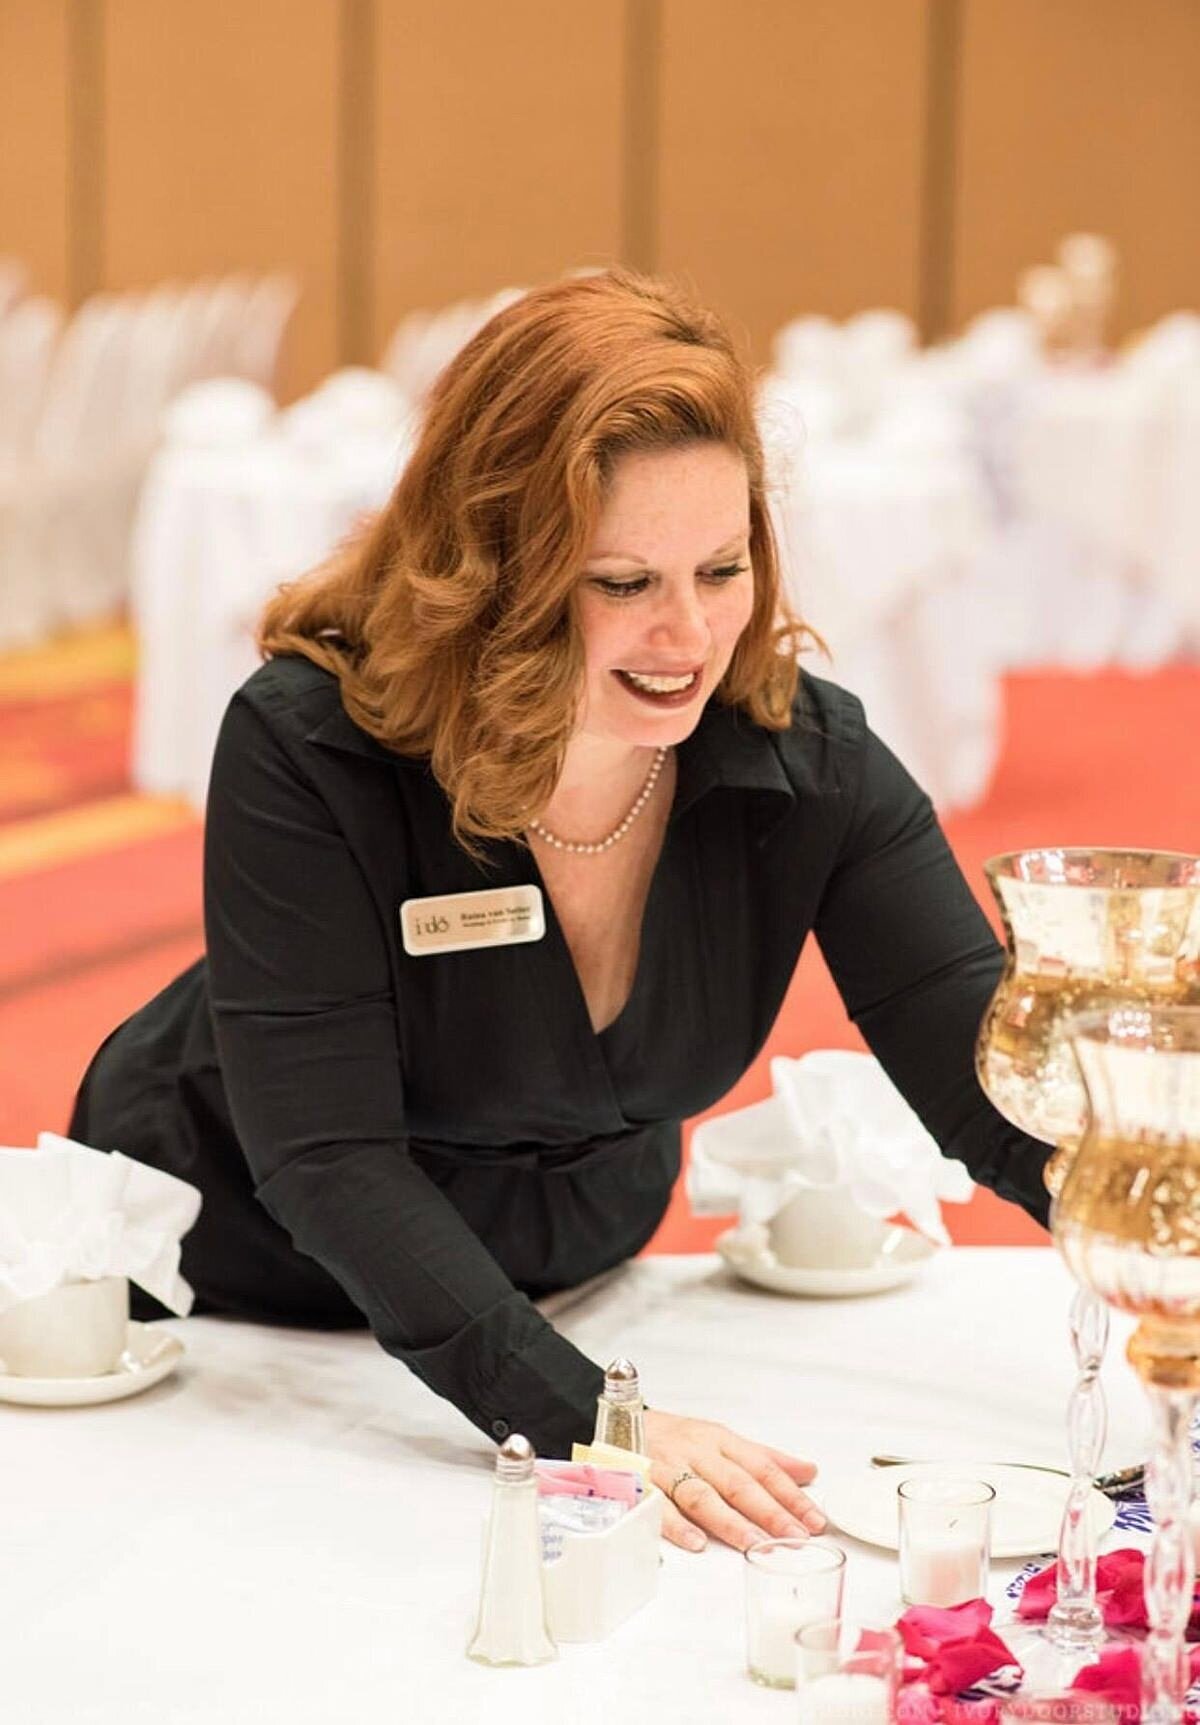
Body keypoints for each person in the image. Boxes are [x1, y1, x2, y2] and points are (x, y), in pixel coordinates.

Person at [70, 269, 1050, 1555]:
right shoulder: (312, 743)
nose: (689, 634)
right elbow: (327, 1159)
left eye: (721, 567)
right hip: (236, 1296)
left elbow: (992, 1092)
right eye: (621, 582)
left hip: (569, 1290)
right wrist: (602, 1422)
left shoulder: (801, 762)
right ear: (496, 566)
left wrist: (1162, 1249)